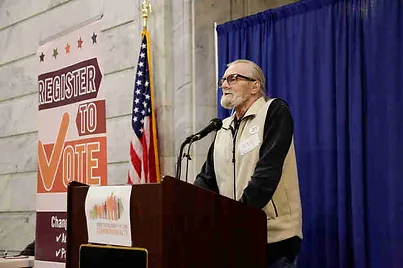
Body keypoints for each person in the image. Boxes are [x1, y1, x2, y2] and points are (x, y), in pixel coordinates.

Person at [194, 59, 302, 268]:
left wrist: (234, 217)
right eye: (223, 80)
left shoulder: (274, 111)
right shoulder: (222, 127)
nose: (225, 85)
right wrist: (187, 208)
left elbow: (267, 174)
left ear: (255, 86)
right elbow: (207, 181)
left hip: (274, 237)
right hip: (235, 237)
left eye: (233, 78)